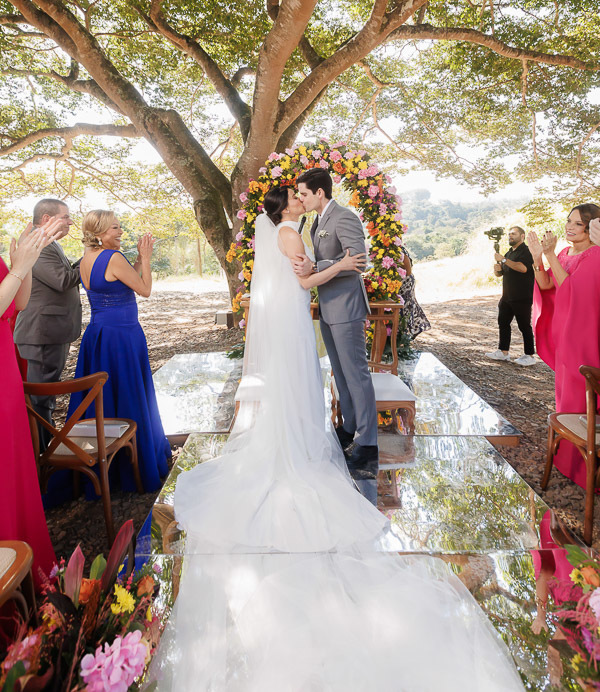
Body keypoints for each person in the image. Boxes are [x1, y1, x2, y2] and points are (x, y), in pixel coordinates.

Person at [149, 184, 524, 691]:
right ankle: (302, 445)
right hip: (296, 316)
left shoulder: (293, 228)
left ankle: (323, 437)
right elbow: (304, 279)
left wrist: (333, 264)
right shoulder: (287, 232)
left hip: (298, 315)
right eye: (295, 195)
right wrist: (341, 264)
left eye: (304, 192)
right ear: (284, 206)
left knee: (311, 383)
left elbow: (306, 273)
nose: (300, 199)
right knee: (304, 384)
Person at [66, 210, 170, 492]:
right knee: (129, 392)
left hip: (99, 335)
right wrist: (146, 258)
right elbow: (144, 289)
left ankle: (106, 464)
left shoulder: (86, 259)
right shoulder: (113, 257)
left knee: (104, 397)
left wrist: (136, 261)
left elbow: (122, 281)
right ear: (100, 232)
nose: (120, 231)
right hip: (123, 336)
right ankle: (135, 465)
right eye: (115, 227)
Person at [294, 167, 378, 474]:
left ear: (319, 192)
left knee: (356, 374)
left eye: (304, 194)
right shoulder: (316, 221)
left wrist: (317, 265)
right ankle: (350, 426)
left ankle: (368, 443)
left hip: (347, 307)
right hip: (328, 307)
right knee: (340, 374)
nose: (300, 199)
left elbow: (360, 261)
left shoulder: (344, 217)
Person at [0, 217, 64, 581]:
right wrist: (18, 269)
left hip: (7, 373)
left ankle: (24, 561)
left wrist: (23, 265)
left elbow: (18, 303)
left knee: (14, 466)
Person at [528, 204, 600, 487]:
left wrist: (548, 255)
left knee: (579, 397)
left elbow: (571, 290)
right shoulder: (563, 253)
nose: (570, 227)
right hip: (563, 334)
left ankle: (583, 468)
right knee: (564, 396)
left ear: (592, 227)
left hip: (581, 337)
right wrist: (538, 258)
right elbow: (547, 285)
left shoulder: (595, 255)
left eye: (578, 223)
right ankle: (567, 460)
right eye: (569, 221)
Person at [14, 198, 82, 447]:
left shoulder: (48, 243)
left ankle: (45, 448)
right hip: (42, 332)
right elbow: (63, 281)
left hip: (50, 331)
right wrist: (91, 259)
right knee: (41, 398)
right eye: (65, 217)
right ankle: (42, 454)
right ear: (46, 219)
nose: (70, 222)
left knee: (46, 395)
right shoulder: (37, 243)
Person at [485, 226, 535, 367]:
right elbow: (501, 274)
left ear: (522, 236)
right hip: (507, 296)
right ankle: (503, 352)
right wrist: (497, 270)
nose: (510, 236)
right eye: (509, 234)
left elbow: (523, 268)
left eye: (513, 234)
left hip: (521, 296)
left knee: (524, 326)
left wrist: (503, 260)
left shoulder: (526, 251)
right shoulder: (509, 252)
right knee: (503, 323)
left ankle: (529, 355)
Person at [397, 243, 430, 339]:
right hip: (399, 282)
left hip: (405, 283)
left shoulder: (400, 250)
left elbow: (408, 271)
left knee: (406, 308)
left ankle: (406, 335)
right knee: (402, 309)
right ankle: (401, 336)